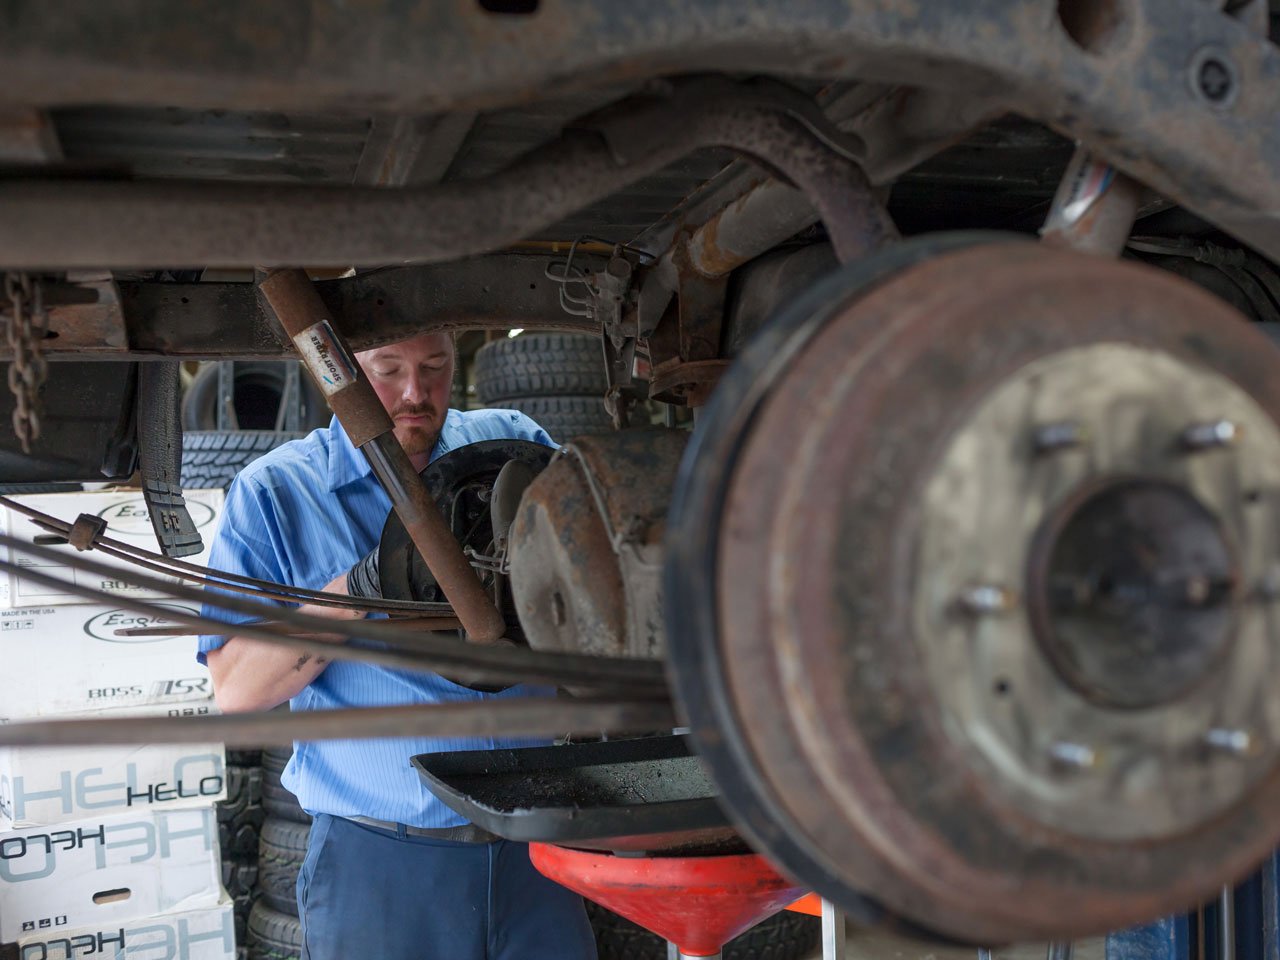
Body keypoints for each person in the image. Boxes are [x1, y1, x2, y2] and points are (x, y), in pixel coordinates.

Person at [197, 331, 597, 960]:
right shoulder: (275, 493)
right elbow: (237, 690)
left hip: (536, 853)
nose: (416, 394)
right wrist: (360, 585)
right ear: (341, 374)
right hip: (382, 864)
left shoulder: (510, 448)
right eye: (388, 371)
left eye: (434, 367)